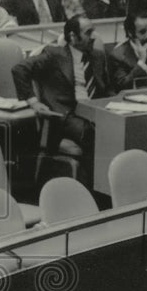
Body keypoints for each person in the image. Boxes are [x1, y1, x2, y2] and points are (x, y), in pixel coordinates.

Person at [11, 16, 109, 180]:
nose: (94, 36)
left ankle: (112, 183)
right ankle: (98, 189)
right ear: (72, 36)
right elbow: (19, 69)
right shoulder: (54, 55)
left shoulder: (97, 56)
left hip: (96, 110)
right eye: (88, 32)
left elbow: (106, 89)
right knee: (94, 132)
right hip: (65, 116)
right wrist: (33, 102)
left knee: (120, 128)